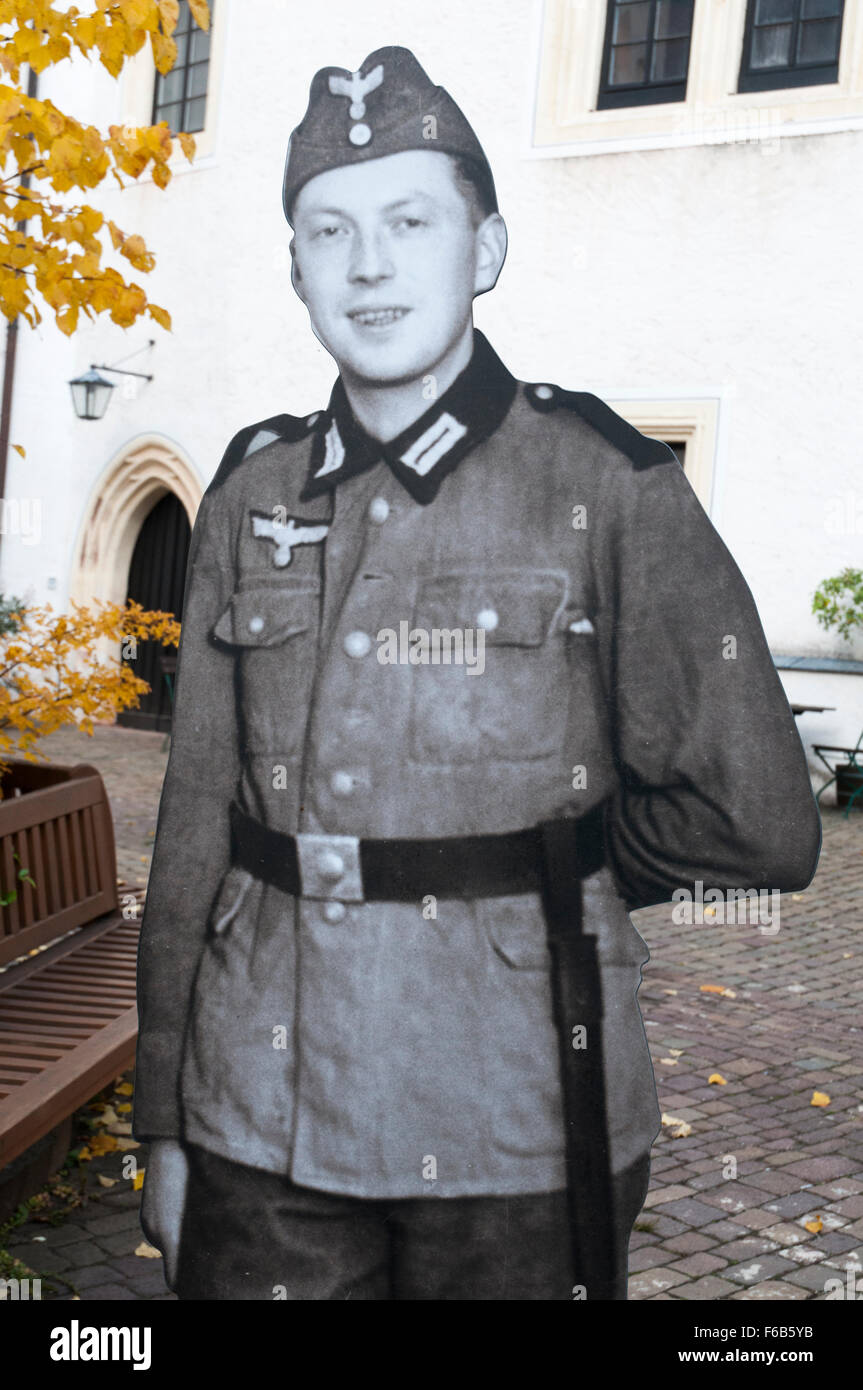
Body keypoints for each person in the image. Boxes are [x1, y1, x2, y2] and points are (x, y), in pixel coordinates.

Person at [134, 45, 821, 1301]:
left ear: (485, 250)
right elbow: (191, 827)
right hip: (256, 1111)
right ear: (294, 267)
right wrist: (165, 1123)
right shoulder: (248, 490)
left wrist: (548, 866)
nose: (369, 264)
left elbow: (762, 822)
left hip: (514, 1108)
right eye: (327, 230)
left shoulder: (605, 487)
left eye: (410, 220)